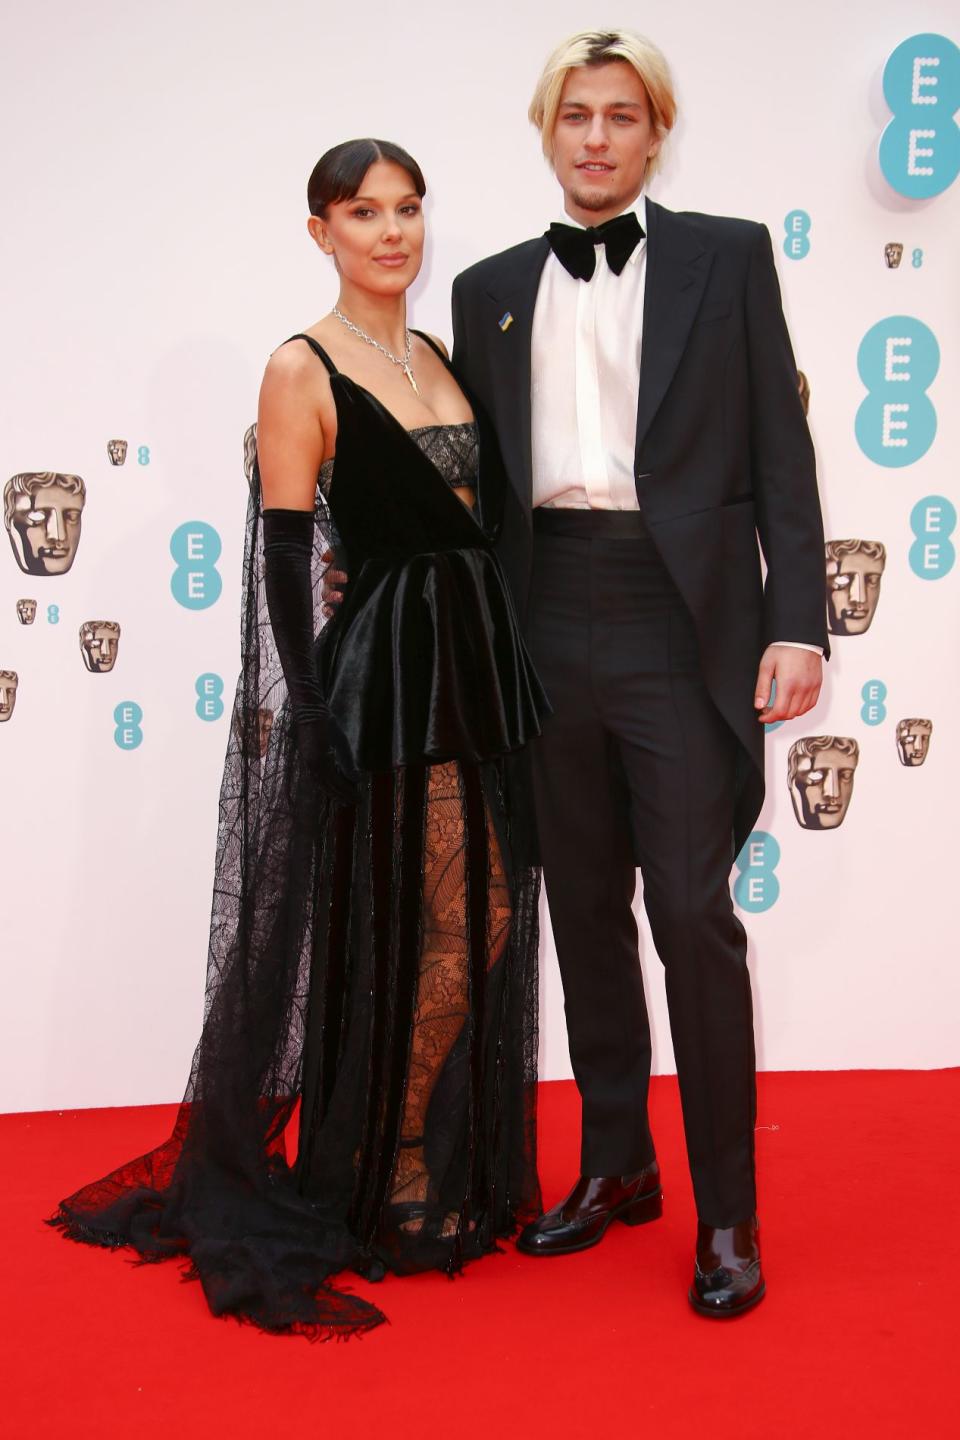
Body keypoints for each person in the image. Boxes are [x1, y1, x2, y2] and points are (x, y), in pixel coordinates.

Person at [328, 29, 828, 1316]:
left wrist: (801, 623)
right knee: (585, 917)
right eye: (574, 117)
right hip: (540, 619)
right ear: (547, 134)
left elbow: (783, 450)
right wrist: (369, 565)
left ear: (656, 132)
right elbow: (461, 475)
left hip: (680, 626)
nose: (596, 138)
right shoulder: (488, 288)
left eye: (620, 116)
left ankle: (729, 1219)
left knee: (694, 925)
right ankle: (617, 1168)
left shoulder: (728, 257)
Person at [48, 138, 549, 1340]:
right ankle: (387, 1161)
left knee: (474, 910)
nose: (393, 231)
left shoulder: (434, 353)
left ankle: (406, 1140)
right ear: (318, 228)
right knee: (433, 914)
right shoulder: (299, 367)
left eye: (410, 208)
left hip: (473, 666)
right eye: (364, 211)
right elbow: (281, 554)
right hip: (391, 680)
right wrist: (316, 703)